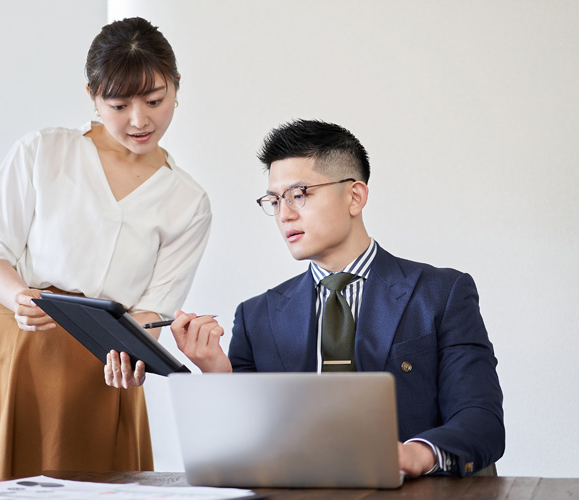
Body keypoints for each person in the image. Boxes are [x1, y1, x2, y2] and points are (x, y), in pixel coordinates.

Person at [106, 119, 505, 478]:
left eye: (299, 194)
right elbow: (245, 442)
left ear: (355, 197)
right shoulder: (257, 315)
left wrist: (414, 455)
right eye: (275, 201)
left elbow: (481, 420)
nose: (284, 215)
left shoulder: (442, 293)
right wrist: (214, 369)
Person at [0, 17, 211, 487]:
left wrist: (138, 355)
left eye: (154, 100)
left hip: (106, 370)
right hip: (18, 351)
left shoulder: (188, 201)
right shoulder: (43, 151)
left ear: (176, 86)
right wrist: (18, 296)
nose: (139, 120)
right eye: (118, 104)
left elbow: (154, 308)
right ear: (91, 96)